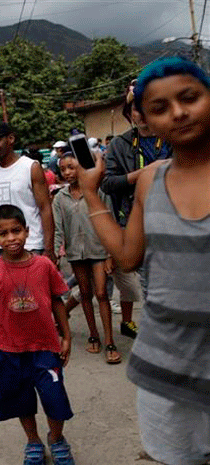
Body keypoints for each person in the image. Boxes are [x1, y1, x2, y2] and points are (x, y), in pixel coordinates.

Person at [79, 56, 210, 465]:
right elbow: (128, 256)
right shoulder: (151, 179)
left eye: (190, 97)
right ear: (147, 123)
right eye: (159, 108)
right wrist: (90, 194)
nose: (178, 112)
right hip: (164, 372)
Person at [0, 205, 75, 465]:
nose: (11, 238)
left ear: (27, 231)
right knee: (21, 402)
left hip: (45, 349)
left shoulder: (44, 266)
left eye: (16, 231)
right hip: (9, 351)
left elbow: (57, 301)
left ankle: (56, 438)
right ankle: (33, 441)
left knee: (55, 399)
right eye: (3, 233)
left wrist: (66, 335)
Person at [101, 85, 172, 338]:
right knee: (151, 287)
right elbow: (108, 184)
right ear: (129, 113)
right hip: (137, 224)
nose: (140, 115)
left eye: (145, 108)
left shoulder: (174, 137)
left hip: (175, 220)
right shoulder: (120, 145)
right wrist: (141, 174)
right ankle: (162, 340)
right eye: (134, 109)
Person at [53, 155, 121, 364]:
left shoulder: (98, 190)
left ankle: (110, 341)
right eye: (63, 169)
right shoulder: (60, 198)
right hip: (76, 253)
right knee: (84, 293)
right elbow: (57, 228)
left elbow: (110, 218)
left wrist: (111, 253)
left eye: (71, 167)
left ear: (81, 167)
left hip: (99, 249)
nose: (67, 173)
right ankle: (94, 334)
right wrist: (55, 253)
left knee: (101, 293)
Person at [0, 122, 56, 263]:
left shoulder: (31, 167)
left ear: (11, 139)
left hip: (30, 244)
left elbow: (45, 208)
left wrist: (49, 248)